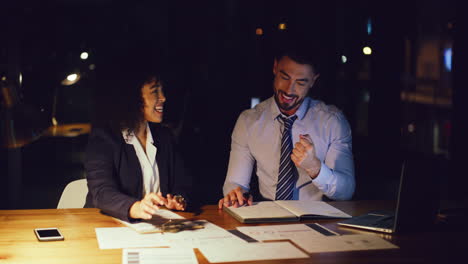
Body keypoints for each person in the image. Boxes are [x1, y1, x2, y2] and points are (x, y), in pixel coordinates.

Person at [219, 43, 355, 209]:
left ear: (313, 81)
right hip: (267, 219)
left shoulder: (332, 122)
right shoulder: (248, 121)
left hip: (316, 221)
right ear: (275, 68)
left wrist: (315, 167)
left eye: (300, 82)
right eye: (285, 77)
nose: (289, 90)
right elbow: (235, 182)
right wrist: (236, 194)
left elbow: (346, 192)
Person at [84, 62, 191, 222]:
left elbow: (183, 183)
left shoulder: (165, 137)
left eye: (162, 90)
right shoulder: (104, 138)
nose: (163, 97)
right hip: (107, 227)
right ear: (133, 97)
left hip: (154, 229)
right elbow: (101, 192)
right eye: (155, 91)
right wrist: (135, 207)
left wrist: (178, 199)